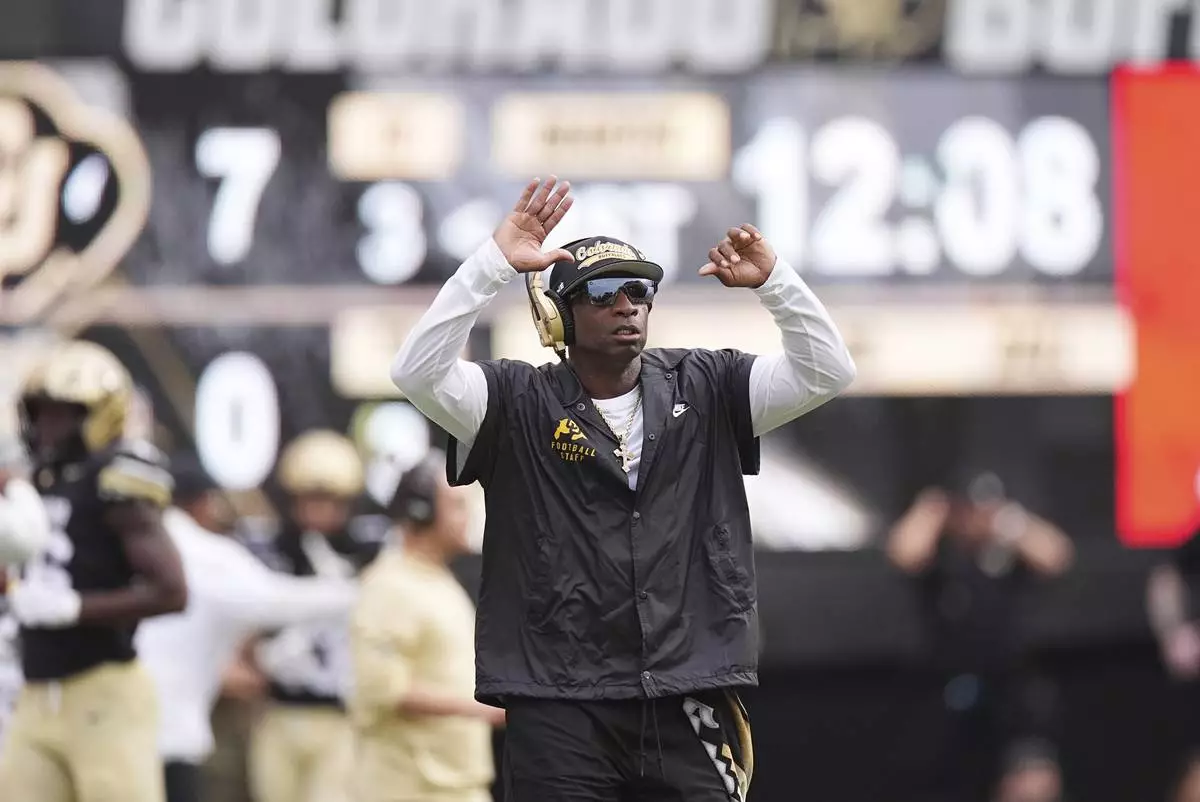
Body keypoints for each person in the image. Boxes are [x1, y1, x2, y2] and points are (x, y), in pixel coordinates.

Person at [391, 176, 857, 801]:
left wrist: (777, 284)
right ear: (558, 315)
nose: (628, 305)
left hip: (686, 687)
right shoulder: (513, 400)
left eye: (640, 290)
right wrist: (492, 264)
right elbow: (415, 371)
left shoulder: (708, 384)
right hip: (559, 700)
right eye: (606, 292)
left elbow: (829, 370)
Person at [0, 339, 188, 802]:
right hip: (36, 692)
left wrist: (73, 607)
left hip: (103, 690)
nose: (47, 427)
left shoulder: (118, 477)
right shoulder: (34, 481)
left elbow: (172, 591)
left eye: (63, 413)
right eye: (40, 412)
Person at [136, 455, 359, 802]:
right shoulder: (204, 552)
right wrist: (362, 593)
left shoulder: (137, 544)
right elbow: (275, 601)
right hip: (170, 734)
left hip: (124, 726)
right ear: (205, 503)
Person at [886, 471, 1074, 802]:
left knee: (1033, 785)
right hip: (950, 701)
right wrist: (935, 509)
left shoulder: (1011, 565)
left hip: (1011, 698)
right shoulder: (943, 564)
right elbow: (903, 551)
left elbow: (1057, 555)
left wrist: (1010, 521)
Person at [350, 451, 504, 802]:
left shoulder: (438, 580)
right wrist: (488, 711)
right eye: (456, 505)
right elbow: (383, 690)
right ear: (422, 512)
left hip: (455, 783)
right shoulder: (389, 586)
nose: (467, 517)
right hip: (408, 787)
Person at [244, 429, 379, 802]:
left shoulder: (369, 554)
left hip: (340, 715)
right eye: (310, 499)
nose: (319, 510)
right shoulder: (270, 554)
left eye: (329, 500)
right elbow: (246, 618)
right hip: (279, 710)